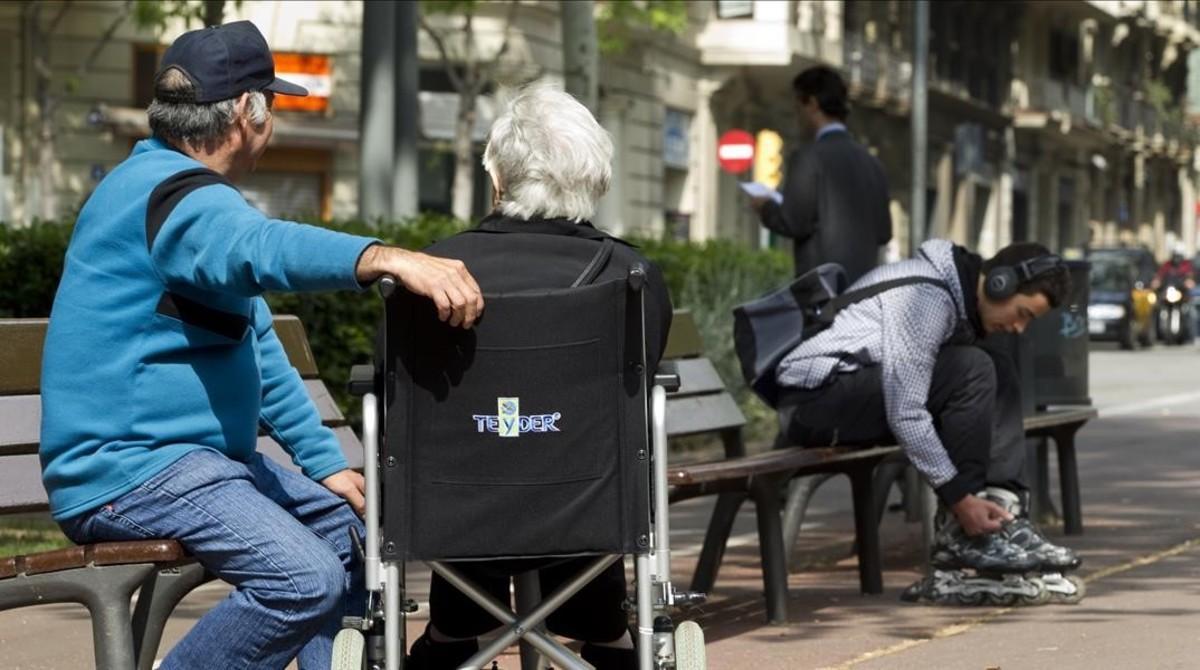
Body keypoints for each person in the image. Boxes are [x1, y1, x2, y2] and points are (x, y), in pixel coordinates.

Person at [39, 21, 483, 669]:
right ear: (248, 114)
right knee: (301, 579)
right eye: (270, 106)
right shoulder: (176, 199)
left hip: (190, 464)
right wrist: (384, 258)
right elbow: (264, 247)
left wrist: (323, 463)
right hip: (131, 472)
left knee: (350, 536)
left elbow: (257, 344)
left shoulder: (174, 198)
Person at [404, 81, 672, 670]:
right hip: (587, 501)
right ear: (593, 179)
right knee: (574, 444)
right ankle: (607, 634)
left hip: (458, 502)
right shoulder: (631, 274)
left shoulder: (431, 270)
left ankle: (453, 632)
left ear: (495, 177)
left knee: (484, 449)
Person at [774, 239, 1082, 603]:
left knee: (997, 367)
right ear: (1001, 284)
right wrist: (959, 497)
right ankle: (962, 530)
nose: (1019, 327)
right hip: (814, 401)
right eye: (1023, 314)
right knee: (974, 369)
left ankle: (1003, 514)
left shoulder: (955, 298)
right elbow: (905, 411)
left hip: (856, 393)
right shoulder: (926, 300)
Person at [749, 66, 892, 284]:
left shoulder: (808, 157)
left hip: (823, 297)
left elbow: (794, 222)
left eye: (798, 108)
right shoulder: (873, 163)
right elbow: (884, 232)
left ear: (812, 104)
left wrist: (765, 207)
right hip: (865, 296)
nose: (797, 117)